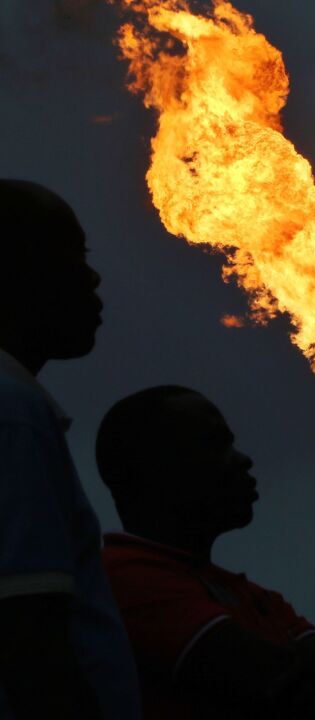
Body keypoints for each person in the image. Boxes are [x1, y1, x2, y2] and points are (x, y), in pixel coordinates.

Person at [95, 385, 315, 720]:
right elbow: (266, 680)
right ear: (154, 468)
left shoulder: (256, 597)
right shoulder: (123, 579)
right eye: (215, 443)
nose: (243, 459)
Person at [0, 179, 142, 720]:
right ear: (17, 272)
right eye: (73, 255)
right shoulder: (13, 414)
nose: (92, 277)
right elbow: (30, 633)